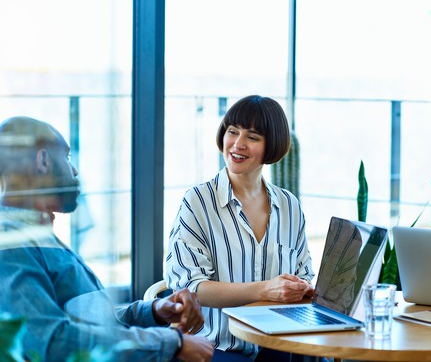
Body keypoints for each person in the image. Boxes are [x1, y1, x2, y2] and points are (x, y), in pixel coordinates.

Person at [0, 116, 214, 362]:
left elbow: (85, 318)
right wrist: (171, 343)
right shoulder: (10, 243)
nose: (75, 170)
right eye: (67, 158)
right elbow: (52, 341)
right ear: (44, 160)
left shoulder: (35, 237)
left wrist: (153, 311)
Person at [165, 95, 315, 361]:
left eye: (253, 137)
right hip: (218, 347)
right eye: (233, 132)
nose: (237, 144)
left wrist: (302, 288)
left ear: (271, 146)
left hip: (280, 344)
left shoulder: (290, 206)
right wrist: (264, 289)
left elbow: (304, 276)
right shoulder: (198, 202)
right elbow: (191, 287)